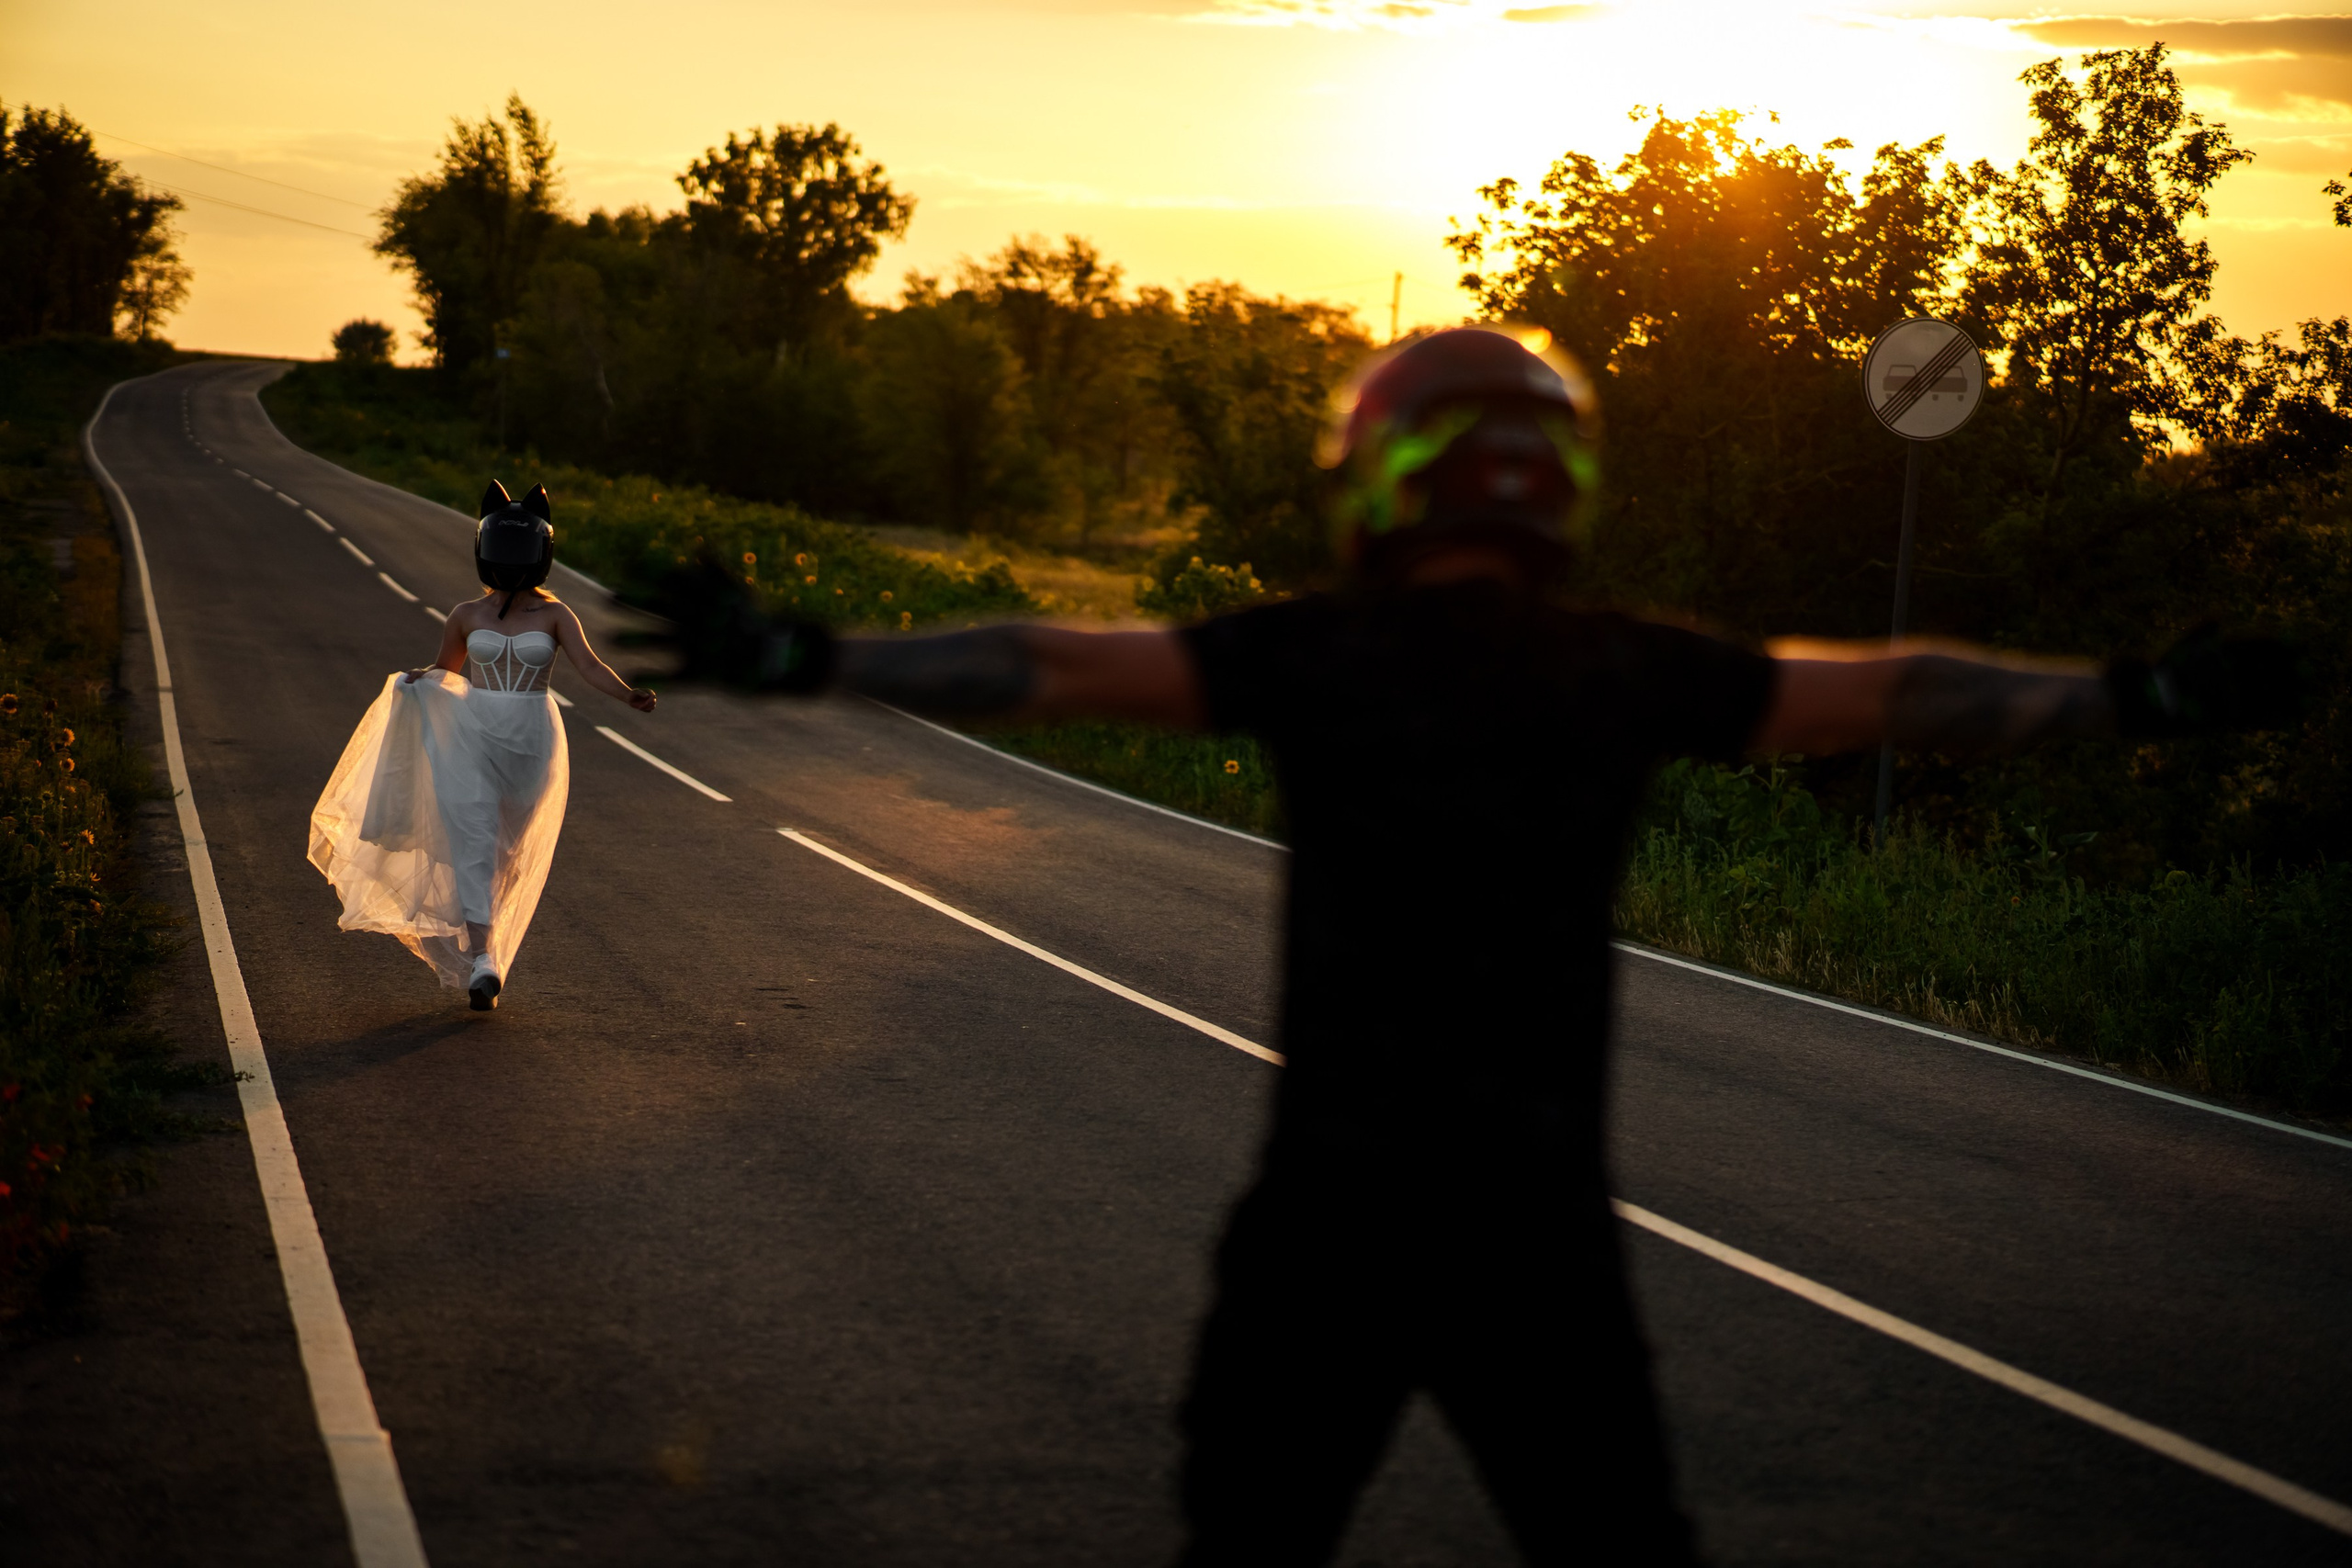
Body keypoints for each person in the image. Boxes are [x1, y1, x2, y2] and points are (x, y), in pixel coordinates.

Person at [656, 327, 2300, 1563]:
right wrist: (2136, 696)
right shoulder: (1628, 671)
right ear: (1563, 485)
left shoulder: (1317, 656)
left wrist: (807, 651)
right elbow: (1902, 691)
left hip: (1328, 1234)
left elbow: (1046, 663)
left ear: (1380, 469)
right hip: (1537, 1247)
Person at [309, 481, 657, 1011]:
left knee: (505, 849)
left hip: (531, 739)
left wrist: (628, 694)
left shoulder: (557, 615)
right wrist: (415, 682)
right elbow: (445, 671)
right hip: (472, 731)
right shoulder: (465, 614)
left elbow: (588, 666)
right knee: (474, 840)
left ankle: (487, 944)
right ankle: (483, 961)